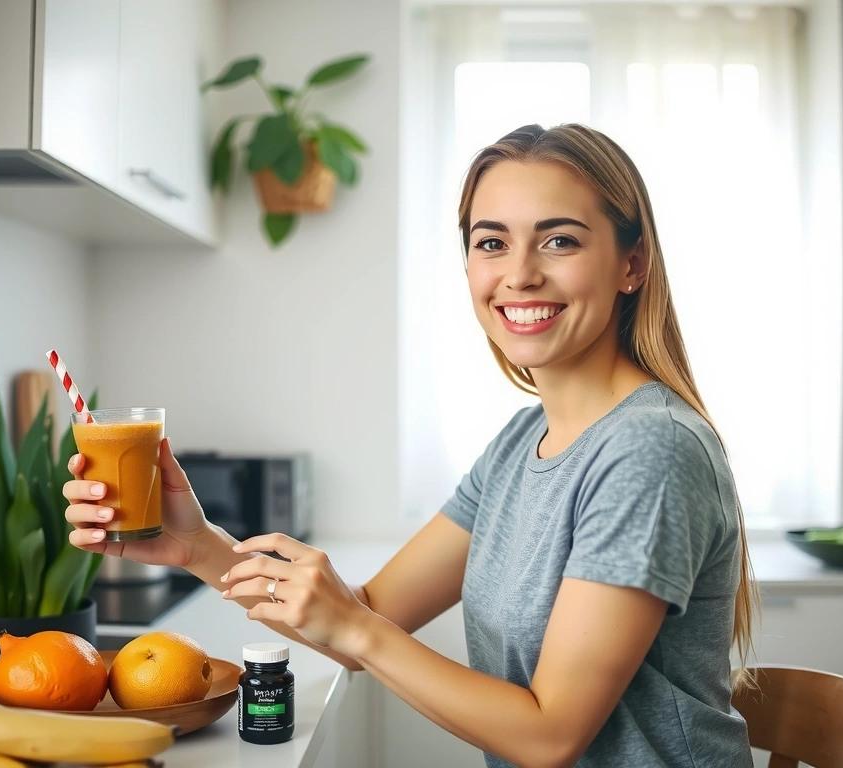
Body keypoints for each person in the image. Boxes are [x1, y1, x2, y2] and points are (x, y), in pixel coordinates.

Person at [63, 123, 756, 768]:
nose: (519, 274)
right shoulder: (523, 440)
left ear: (632, 264)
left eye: (559, 240)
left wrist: (358, 630)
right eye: (491, 242)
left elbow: (550, 735)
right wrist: (199, 548)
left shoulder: (648, 453)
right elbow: (370, 614)